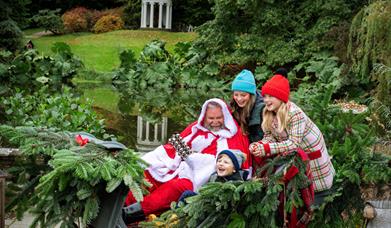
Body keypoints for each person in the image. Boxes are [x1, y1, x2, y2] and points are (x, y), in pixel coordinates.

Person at [123, 98, 251, 223]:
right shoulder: (196, 128)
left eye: (219, 118)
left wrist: (196, 160)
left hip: (201, 179)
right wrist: (149, 161)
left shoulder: (233, 135)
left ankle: (130, 215)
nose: (215, 122)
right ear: (204, 117)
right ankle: (121, 205)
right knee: (149, 173)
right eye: (211, 118)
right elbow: (172, 148)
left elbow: (233, 163)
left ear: (225, 116)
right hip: (181, 168)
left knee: (175, 187)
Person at [249, 74, 335, 195]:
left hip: (310, 153)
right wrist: (260, 145)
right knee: (300, 189)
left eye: (271, 96)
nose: (266, 100)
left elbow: (294, 143)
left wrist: (267, 148)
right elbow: (270, 136)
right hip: (295, 156)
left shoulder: (294, 114)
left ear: (281, 97)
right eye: (265, 96)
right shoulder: (268, 112)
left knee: (316, 188)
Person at [230, 69, 265, 143]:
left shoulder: (261, 108)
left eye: (243, 95)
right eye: (236, 95)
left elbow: (261, 136)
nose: (239, 99)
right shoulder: (233, 105)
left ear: (251, 95)